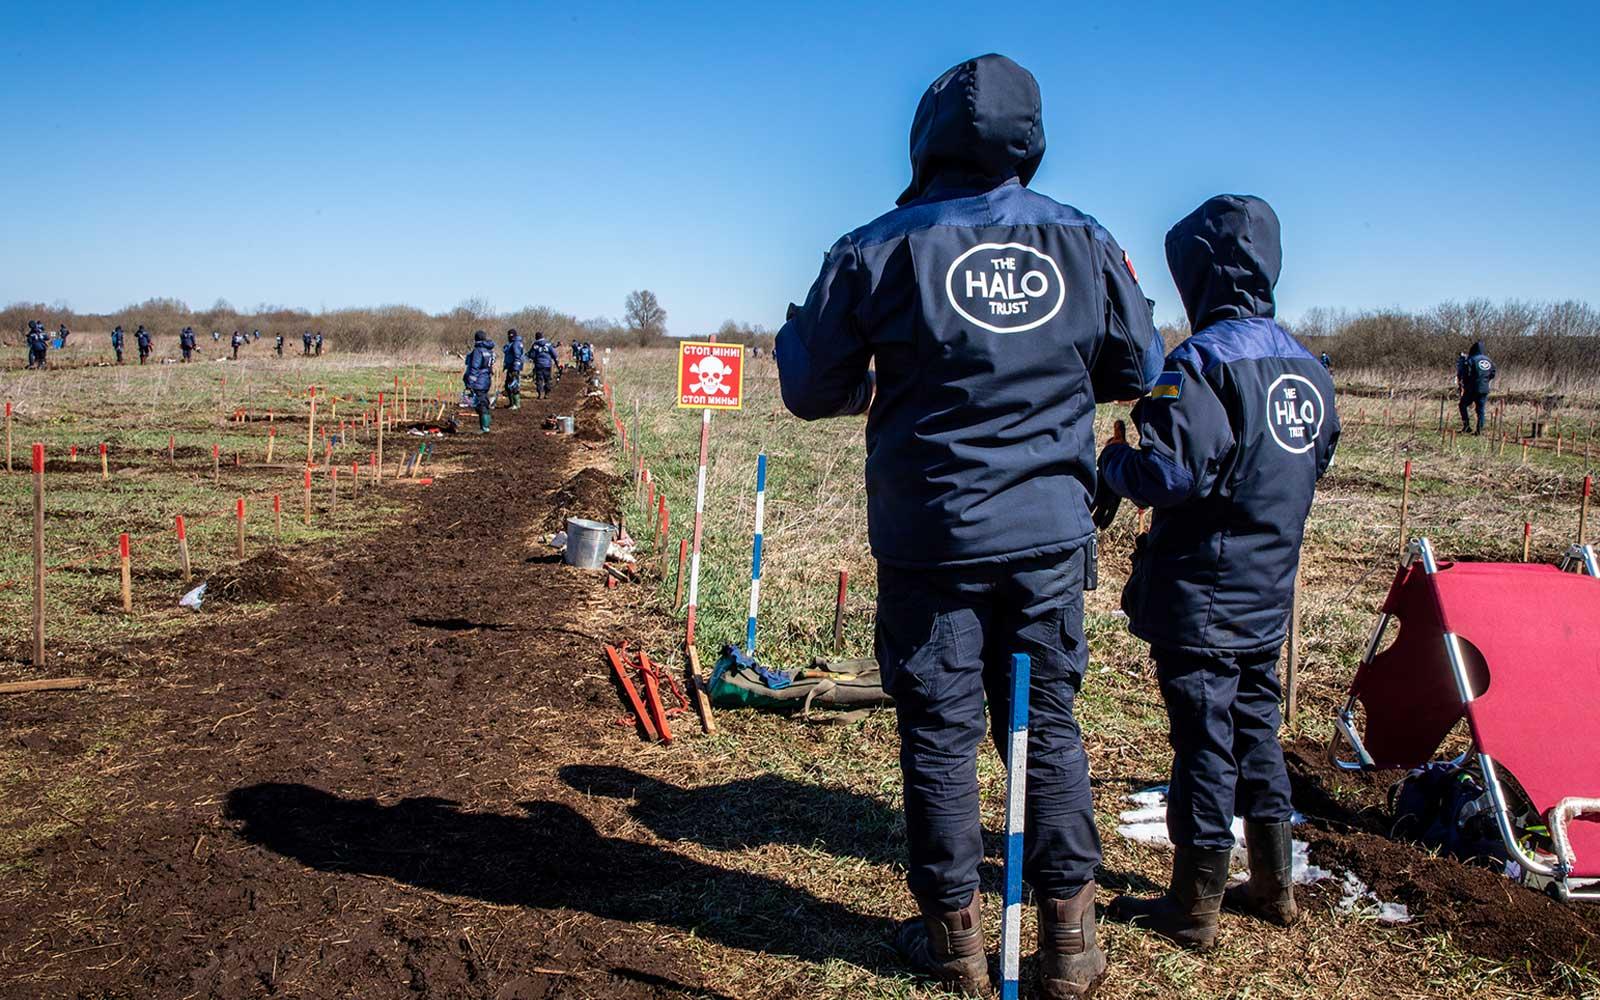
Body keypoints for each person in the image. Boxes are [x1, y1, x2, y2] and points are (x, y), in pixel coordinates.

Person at [775, 54, 1163, 998]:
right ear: (1030, 139)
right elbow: (1137, 365)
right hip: (1048, 531)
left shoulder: (877, 245)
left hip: (932, 533)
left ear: (928, 134)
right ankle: (1071, 946)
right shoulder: (1086, 240)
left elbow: (808, 384)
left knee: (940, 729)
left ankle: (952, 941)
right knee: (1048, 721)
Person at [1097, 195, 1340, 951]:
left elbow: (1169, 473)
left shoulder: (1201, 362)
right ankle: (1274, 885)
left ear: (1199, 275)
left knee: (1202, 740)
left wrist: (1115, 461)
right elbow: (1314, 459)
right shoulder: (1308, 366)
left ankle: (1193, 903)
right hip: (1269, 589)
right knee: (1256, 728)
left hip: (1202, 590)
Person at [1459, 341, 1495, 434]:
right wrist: (1486, 381)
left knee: (1462, 405)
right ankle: (1479, 430)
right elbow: (1493, 373)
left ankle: (1466, 426)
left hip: (1472, 388)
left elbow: (1466, 373)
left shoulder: (1471, 359)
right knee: (1481, 410)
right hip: (1484, 388)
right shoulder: (1489, 361)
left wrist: (1465, 384)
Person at [463, 330, 496, 432]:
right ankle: (485, 426)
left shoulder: (478, 351)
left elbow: (474, 367)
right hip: (486, 380)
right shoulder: (489, 351)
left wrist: (470, 382)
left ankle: (485, 427)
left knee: (481, 404)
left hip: (479, 381)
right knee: (483, 402)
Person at [502, 329, 526, 409]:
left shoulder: (516, 344)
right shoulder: (511, 344)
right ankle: (512, 403)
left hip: (514, 368)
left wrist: (515, 368)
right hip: (510, 367)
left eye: (511, 335)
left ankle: (516, 404)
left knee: (513, 385)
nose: (509, 337)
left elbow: (517, 356)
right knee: (508, 385)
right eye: (509, 335)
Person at [530, 331, 558, 399]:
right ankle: (547, 393)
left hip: (538, 365)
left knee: (539, 380)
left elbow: (532, 355)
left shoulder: (535, 345)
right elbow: (554, 354)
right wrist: (556, 361)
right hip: (547, 365)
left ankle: (540, 393)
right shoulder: (548, 344)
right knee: (548, 379)